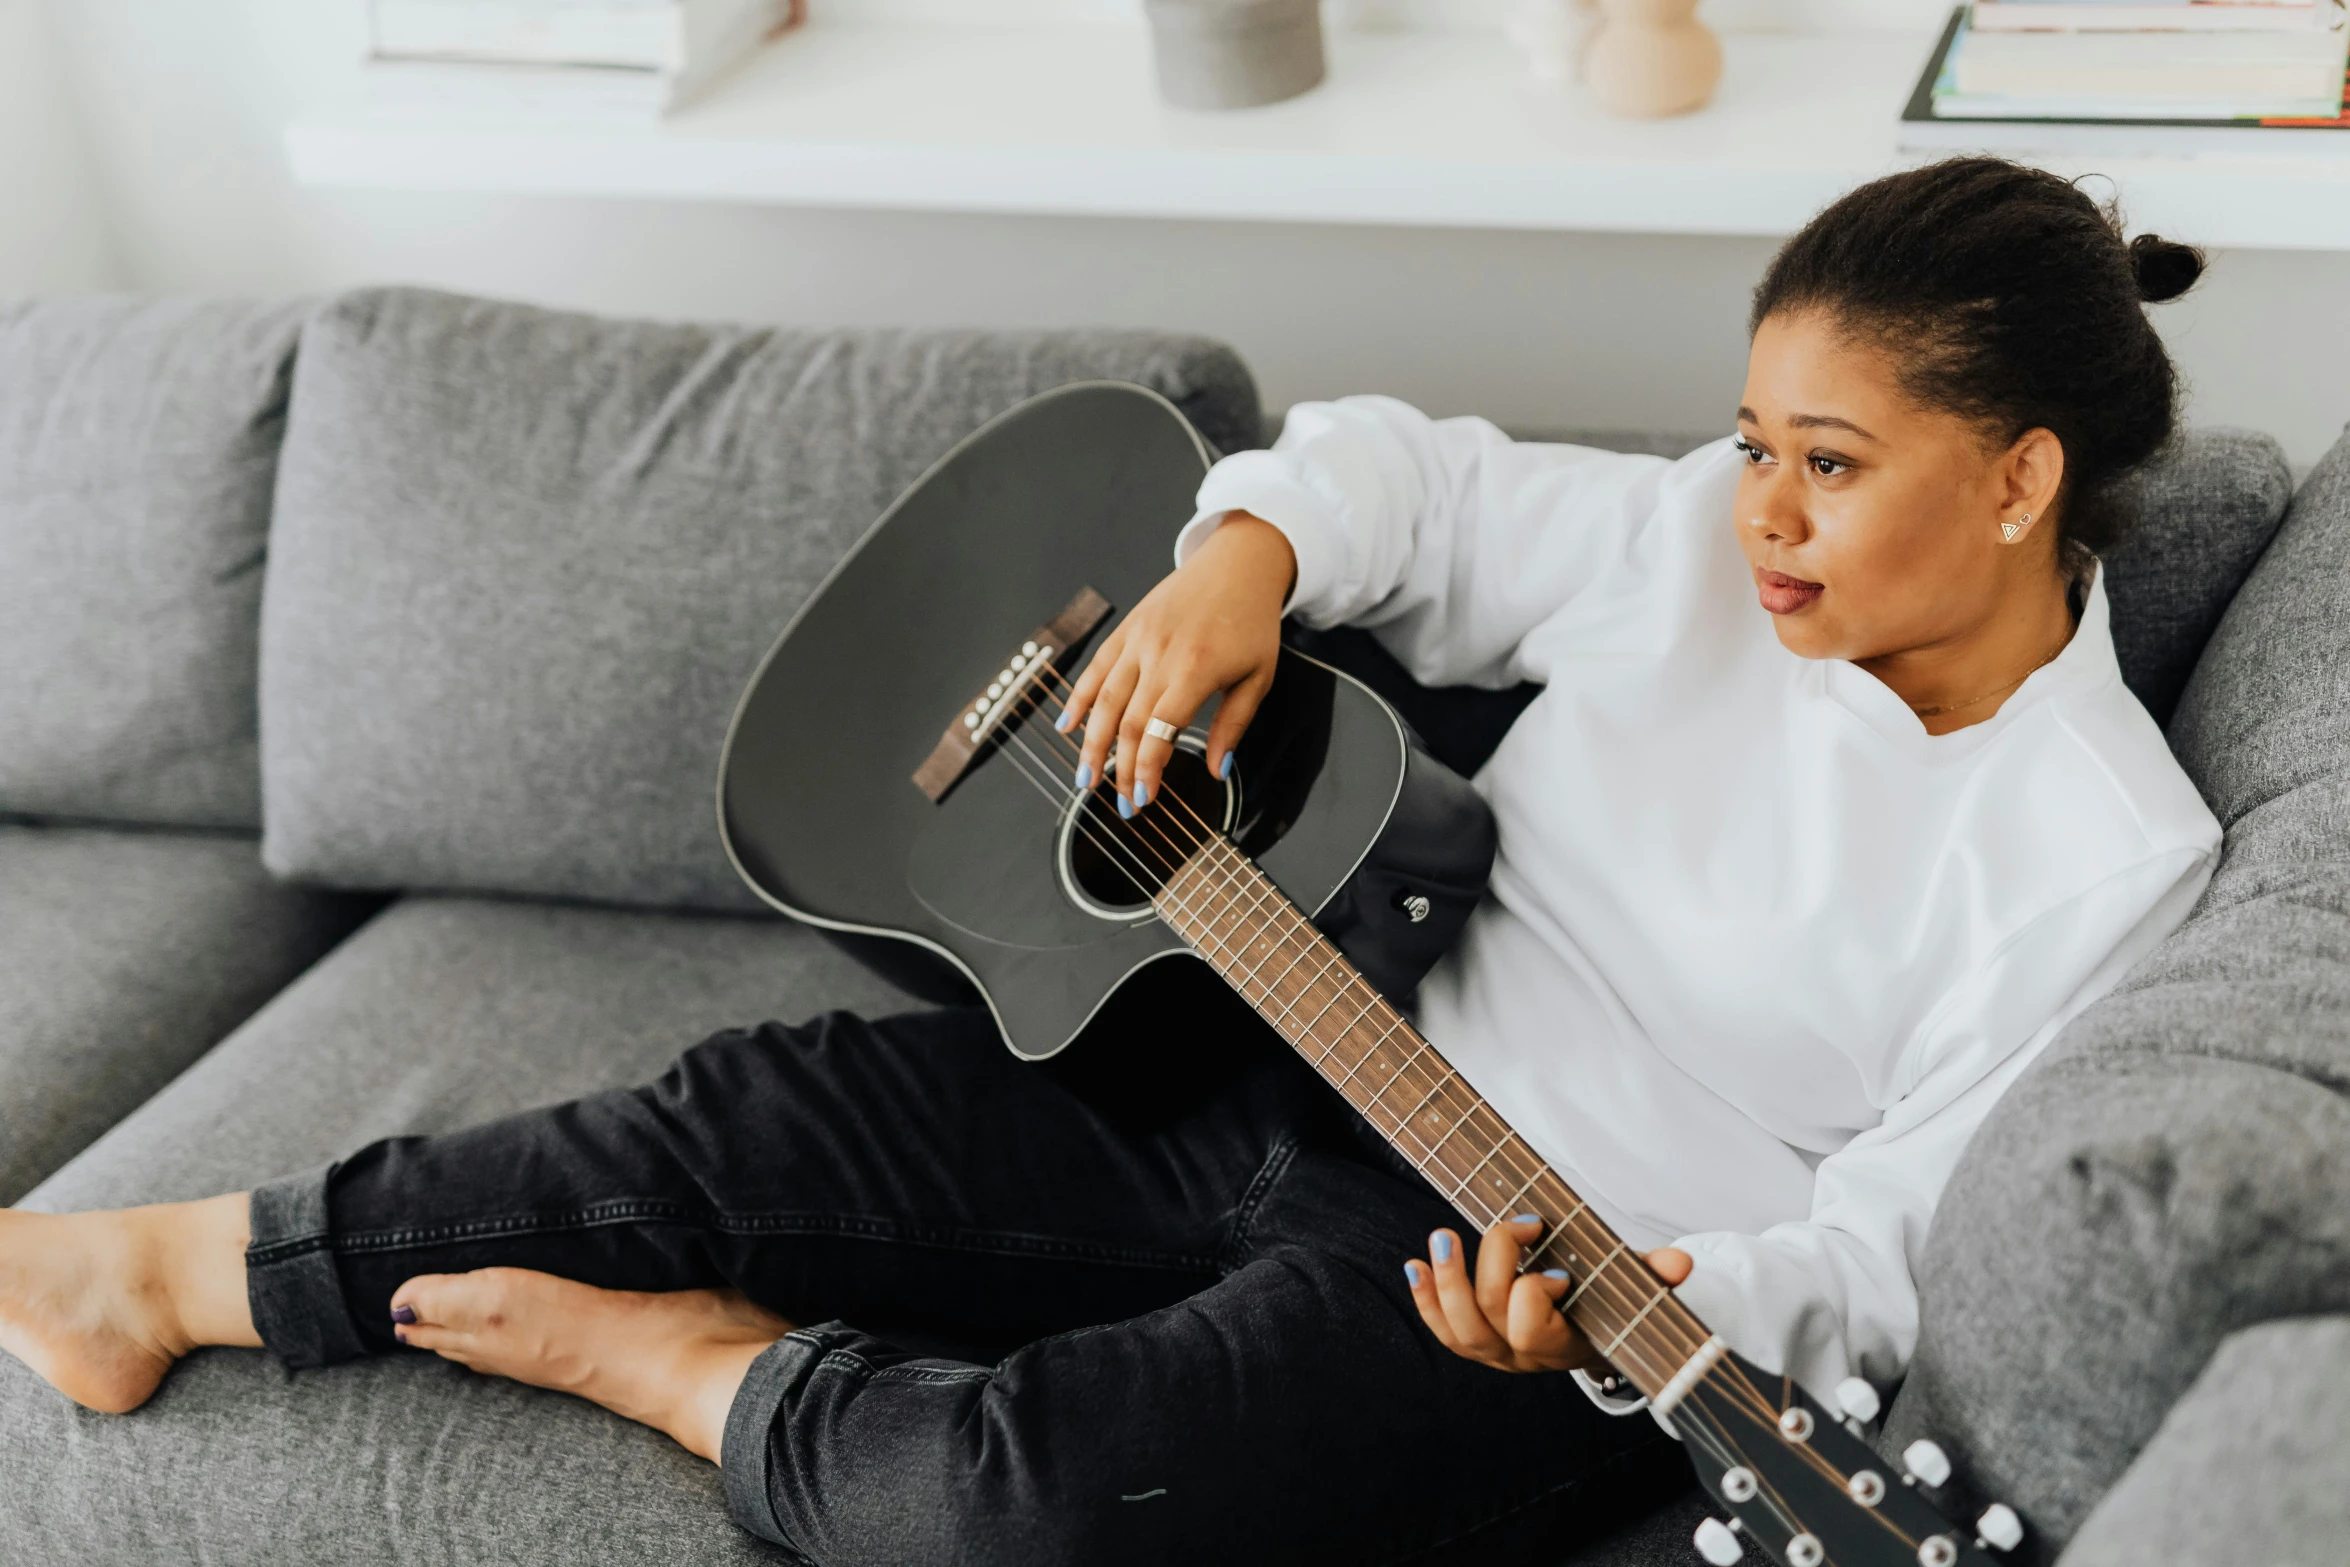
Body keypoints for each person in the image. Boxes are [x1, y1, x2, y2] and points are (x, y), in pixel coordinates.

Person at [0, 158, 2220, 1565]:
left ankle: (686, 1371)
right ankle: (162, 1273)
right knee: (762, 1109)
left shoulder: (2093, 854)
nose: (1756, 511)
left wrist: (1638, 1310)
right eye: (1749, 443)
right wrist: (1239, 562)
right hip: (1282, 1051)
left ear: (2019, 479)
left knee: (1029, 1503)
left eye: (1824, 466)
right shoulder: (1688, 556)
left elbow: (1880, 1254)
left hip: (1498, 1293)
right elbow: (1407, 484)